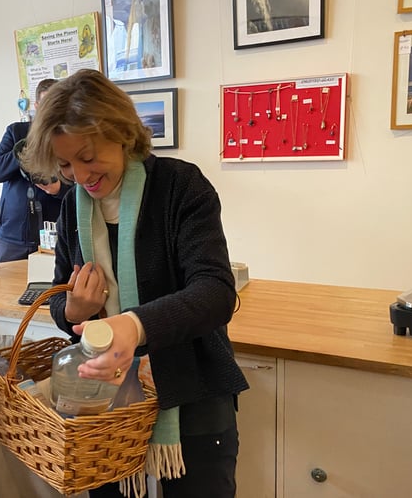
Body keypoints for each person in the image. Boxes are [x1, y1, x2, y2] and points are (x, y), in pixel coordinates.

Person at [19, 69, 249, 498]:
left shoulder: (180, 187)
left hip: (191, 394)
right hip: (106, 407)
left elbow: (216, 293)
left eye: (88, 156)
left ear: (122, 132)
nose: (80, 175)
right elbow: (60, 304)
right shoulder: (74, 208)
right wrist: (74, 312)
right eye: (65, 164)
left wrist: (134, 325)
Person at [0, 78, 71, 262]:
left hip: (54, 238)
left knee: (53, 289)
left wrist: (59, 189)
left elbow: (81, 187)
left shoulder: (70, 137)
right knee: (8, 290)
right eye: (47, 104)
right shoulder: (16, 131)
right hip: (14, 237)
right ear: (37, 105)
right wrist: (24, 149)